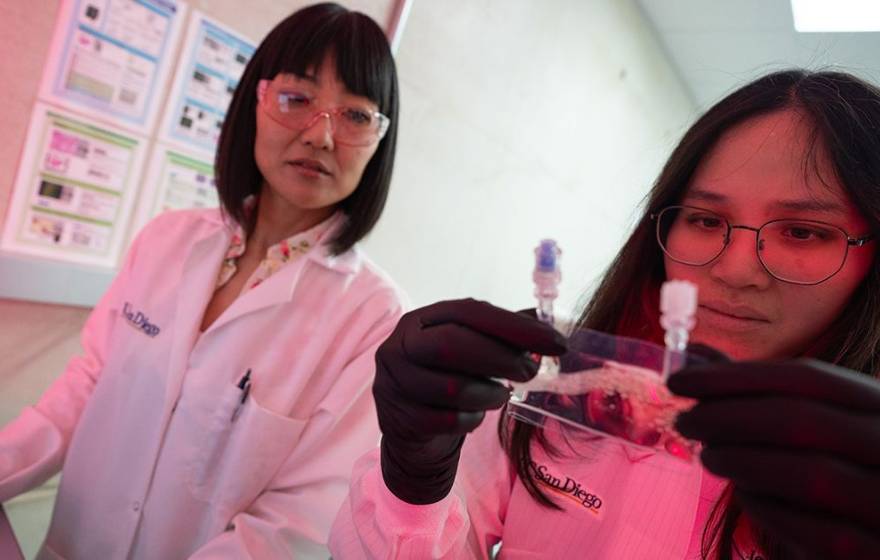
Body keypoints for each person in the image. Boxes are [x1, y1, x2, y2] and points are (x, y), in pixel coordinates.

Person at [328, 69, 880, 560]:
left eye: (804, 231)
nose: (735, 270)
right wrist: (413, 477)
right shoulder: (565, 391)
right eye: (706, 220)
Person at [0, 3, 404, 558]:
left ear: (380, 139)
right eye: (297, 99)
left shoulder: (374, 317)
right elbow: (87, 385)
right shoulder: (167, 240)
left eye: (355, 115)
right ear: (256, 103)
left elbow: (296, 522)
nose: (321, 136)